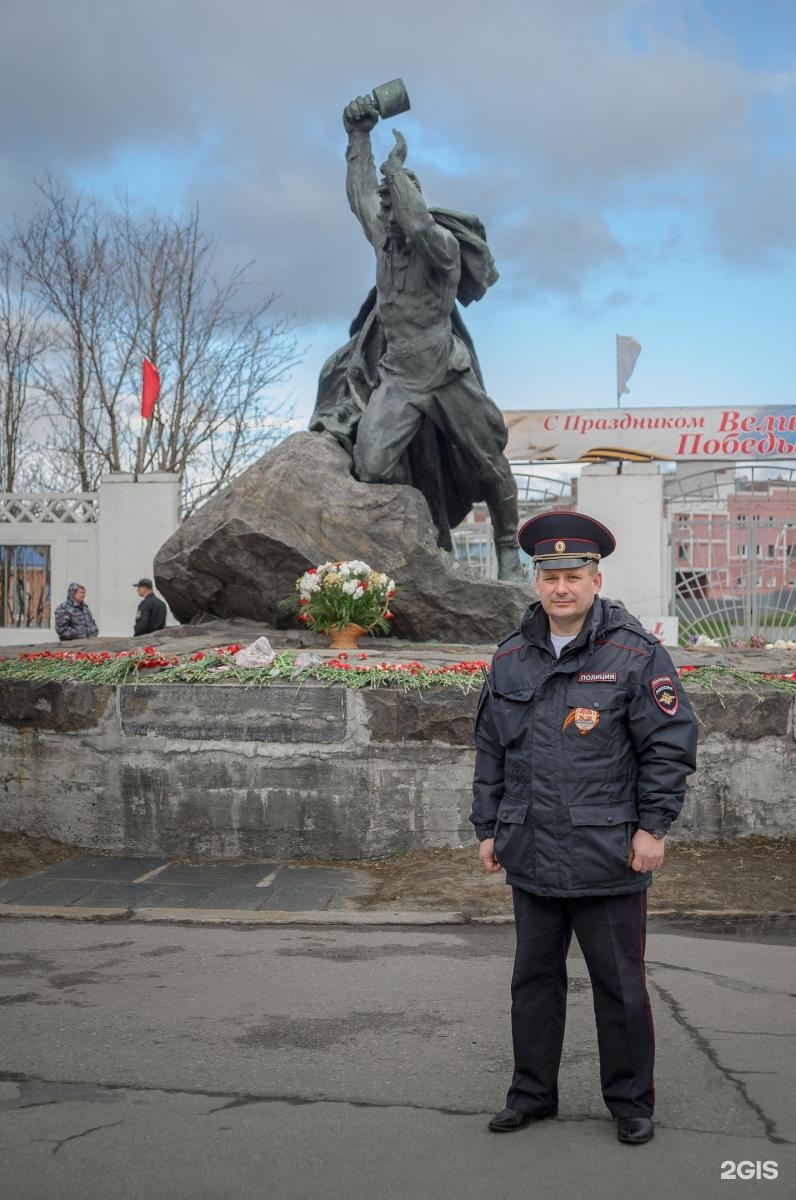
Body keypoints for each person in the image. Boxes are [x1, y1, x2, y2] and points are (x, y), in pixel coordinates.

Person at [470, 511, 698, 1145]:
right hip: (532, 848)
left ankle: (630, 1102)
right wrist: (487, 826)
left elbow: (670, 745)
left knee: (619, 986)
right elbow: (491, 751)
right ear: (536, 582)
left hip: (609, 854)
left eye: (573, 576)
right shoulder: (511, 657)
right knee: (533, 982)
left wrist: (654, 827)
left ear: (596, 579)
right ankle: (532, 1094)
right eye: (550, 577)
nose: (561, 588)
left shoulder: (635, 653)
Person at [309, 94, 523, 580]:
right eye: (386, 206)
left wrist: (397, 171)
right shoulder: (383, 236)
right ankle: (426, 542)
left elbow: (420, 225)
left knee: (488, 459)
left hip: (446, 371)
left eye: (397, 203)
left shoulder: (440, 248)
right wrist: (357, 137)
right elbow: (359, 195)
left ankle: (510, 553)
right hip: (400, 376)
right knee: (371, 465)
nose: (387, 213)